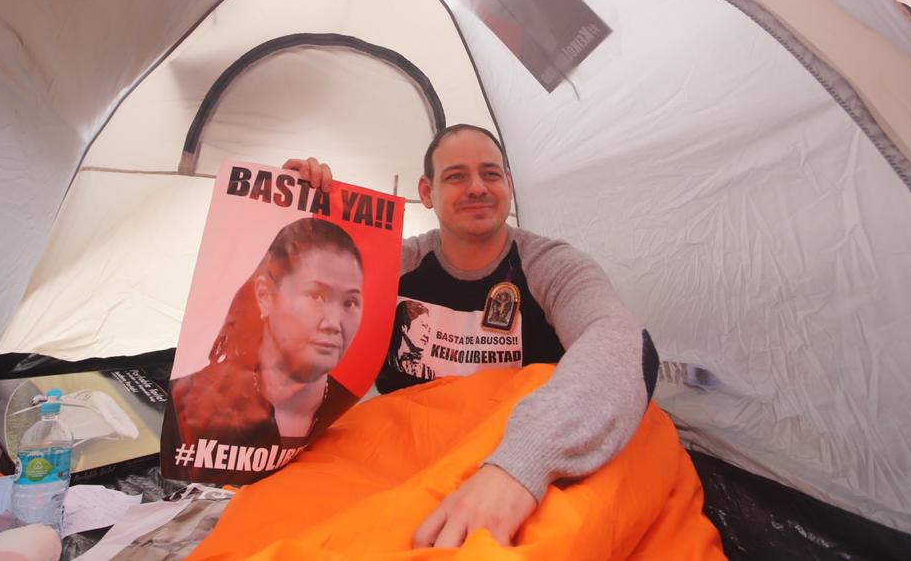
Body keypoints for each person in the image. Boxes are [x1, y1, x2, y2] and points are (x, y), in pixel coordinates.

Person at [287, 124, 656, 549]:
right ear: (427, 192)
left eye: (491, 174)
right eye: (456, 176)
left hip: (521, 460)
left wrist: (520, 466)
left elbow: (621, 340)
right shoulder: (393, 264)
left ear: (510, 185)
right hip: (400, 464)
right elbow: (295, 311)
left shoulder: (550, 265)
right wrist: (292, 211)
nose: (477, 187)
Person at [164, 217, 364, 480]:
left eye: (350, 303)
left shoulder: (355, 416)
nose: (334, 323)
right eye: (316, 296)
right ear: (265, 296)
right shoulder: (191, 404)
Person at [387, 299, 436, 381]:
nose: (427, 334)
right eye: (424, 326)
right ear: (405, 326)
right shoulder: (390, 363)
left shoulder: (428, 372)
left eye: (429, 329)